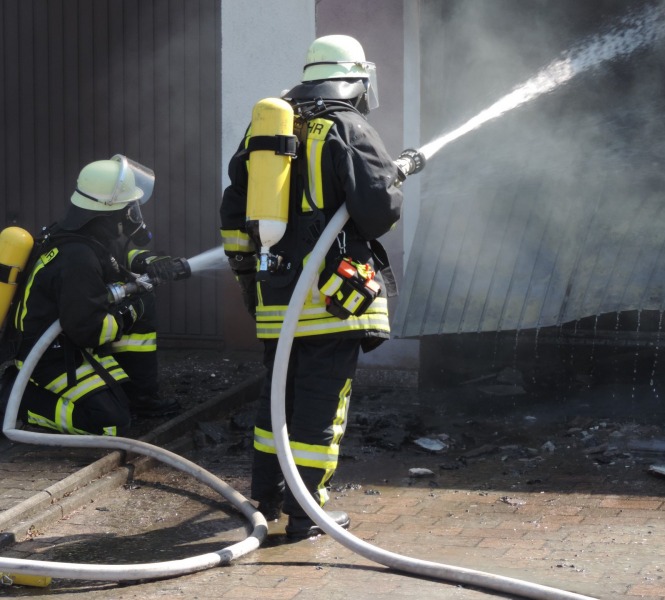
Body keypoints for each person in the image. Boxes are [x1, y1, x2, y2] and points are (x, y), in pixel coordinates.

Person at [220, 34, 405, 540]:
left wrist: (250, 281)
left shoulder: (265, 130)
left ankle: (267, 497)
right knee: (321, 407)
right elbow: (378, 212)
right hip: (330, 301)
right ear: (357, 79)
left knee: (276, 401)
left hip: (276, 299)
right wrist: (393, 177)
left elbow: (233, 214)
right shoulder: (347, 126)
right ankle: (308, 515)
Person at [0, 155, 180, 436]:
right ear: (110, 211)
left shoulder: (85, 237)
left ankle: (140, 396)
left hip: (69, 346)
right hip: (47, 358)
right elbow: (89, 330)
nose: (132, 215)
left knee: (142, 303)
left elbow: (118, 259)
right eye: (128, 208)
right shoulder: (78, 260)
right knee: (109, 423)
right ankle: (15, 397)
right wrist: (132, 311)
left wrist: (150, 262)